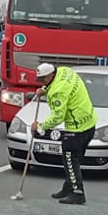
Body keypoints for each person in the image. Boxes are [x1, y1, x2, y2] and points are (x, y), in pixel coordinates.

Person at [33, 61, 97, 206]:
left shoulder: (57, 92)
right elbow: (60, 86)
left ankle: (77, 193)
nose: (41, 82)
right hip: (89, 123)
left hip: (76, 128)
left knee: (70, 160)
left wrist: (40, 126)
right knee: (75, 159)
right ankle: (68, 187)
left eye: (43, 79)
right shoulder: (64, 71)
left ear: (50, 75)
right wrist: (45, 89)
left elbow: (57, 117)